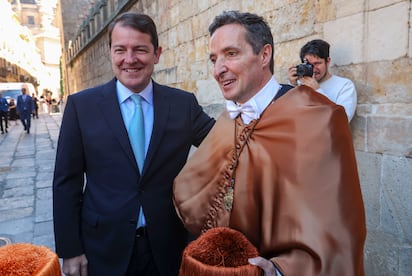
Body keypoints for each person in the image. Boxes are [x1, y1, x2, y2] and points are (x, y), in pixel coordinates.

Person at [173, 11, 366, 276]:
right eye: (214, 59)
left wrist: (277, 270)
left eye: (231, 54)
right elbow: (195, 191)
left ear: (265, 55)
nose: (218, 69)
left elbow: (337, 229)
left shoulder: (320, 118)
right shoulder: (228, 120)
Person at [53, 12, 215, 276]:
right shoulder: (81, 107)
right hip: (103, 248)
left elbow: (223, 143)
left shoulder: (183, 105)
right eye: (120, 50)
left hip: (168, 248)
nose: (130, 59)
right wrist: (70, 250)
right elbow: (65, 183)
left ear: (157, 53)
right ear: (110, 53)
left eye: (140, 49)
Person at [288, 39, 357, 122]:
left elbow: (343, 120)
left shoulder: (345, 86)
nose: (313, 69)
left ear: (328, 61)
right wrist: (292, 87)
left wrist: (318, 91)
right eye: (309, 65)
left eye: (317, 63)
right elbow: (289, 116)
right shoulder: (300, 85)